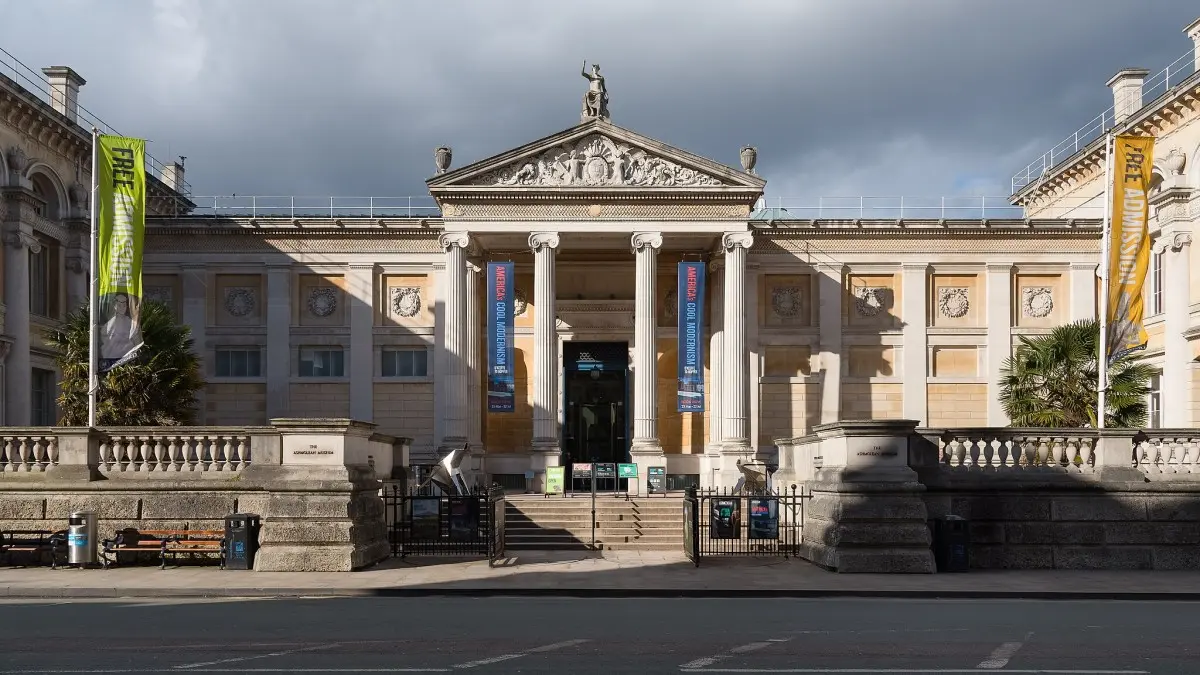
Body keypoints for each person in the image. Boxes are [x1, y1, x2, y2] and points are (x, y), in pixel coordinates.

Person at [100, 292, 142, 362]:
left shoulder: (130, 322)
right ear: (114, 306)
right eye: (119, 305)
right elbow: (104, 339)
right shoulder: (109, 324)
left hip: (127, 357)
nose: (122, 308)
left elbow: (137, 340)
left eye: (124, 305)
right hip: (112, 358)